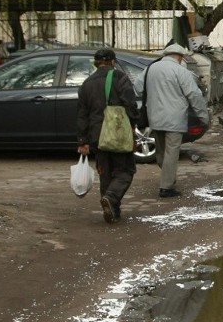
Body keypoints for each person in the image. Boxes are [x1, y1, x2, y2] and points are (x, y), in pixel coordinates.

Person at [77, 47, 139, 223]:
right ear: (113, 61)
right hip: (117, 132)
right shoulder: (120, 77)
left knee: (105, 172)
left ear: (96, 63)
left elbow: (82, 114)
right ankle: (111, 198)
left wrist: (83, 140)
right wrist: (134, 124)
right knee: (125, 170)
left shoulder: (87, 83)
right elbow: (130, 104)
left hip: (97, 135)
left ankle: (113, 212)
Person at [144, 42, 209, 198]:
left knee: (161, 152)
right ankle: (166, 187)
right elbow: (194, 95)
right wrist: (203, 117)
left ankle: (167, 175)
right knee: (172, 153)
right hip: (174, 118)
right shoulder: (181, 71)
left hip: (155, 117)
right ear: (179, 57)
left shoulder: (151, 69)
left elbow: (138, 86)